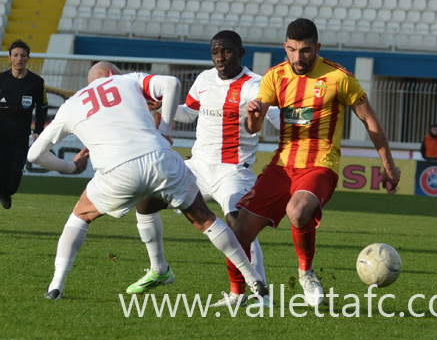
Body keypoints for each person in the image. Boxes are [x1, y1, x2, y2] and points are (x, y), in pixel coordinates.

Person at [27, 61, 268, 300]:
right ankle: (251, 276)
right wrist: (164, 130)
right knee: (205, 220)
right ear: (112, 73)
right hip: (159, 158)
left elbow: (34, 154)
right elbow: (171, 83)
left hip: (117, 170)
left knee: (80, 216)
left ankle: (56, 285)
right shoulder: (128, 79)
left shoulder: (71, 104)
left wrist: (71, 167)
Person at [224, 18, 401, 307]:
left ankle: (306, 274)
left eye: (305, 50)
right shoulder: (275, 76)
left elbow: (370, 120)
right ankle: (237, 295)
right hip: (281, 166)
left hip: (320, 164)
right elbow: (254, 128)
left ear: (317, 47)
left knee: (297, 210)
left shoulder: (338, 77)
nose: (298, 58)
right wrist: (254, 115)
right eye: (292, 50)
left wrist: (389, 166)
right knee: (240, 230)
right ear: (285, 47)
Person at [128, 31, 280, 307]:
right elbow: (189, 112)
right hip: (197, 166)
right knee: (147, 201)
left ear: (240, 52)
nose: (220, 58)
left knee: (238, 224)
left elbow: (277, 117)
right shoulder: (204, 79)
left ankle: (260, 294)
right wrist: (164, 106)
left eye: (227, 51)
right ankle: (159, 269)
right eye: (216, 52)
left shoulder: (255, 85)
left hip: (232, 170)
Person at [0, 39, 48, 231]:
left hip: (20, 139)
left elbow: (43, 107)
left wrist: (38, 130)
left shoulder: (37, 83)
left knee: (11, 185)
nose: (19, 58)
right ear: (9, 58)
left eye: (23, 55)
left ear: (28, 58)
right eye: (15, 55)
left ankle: (6, 193)